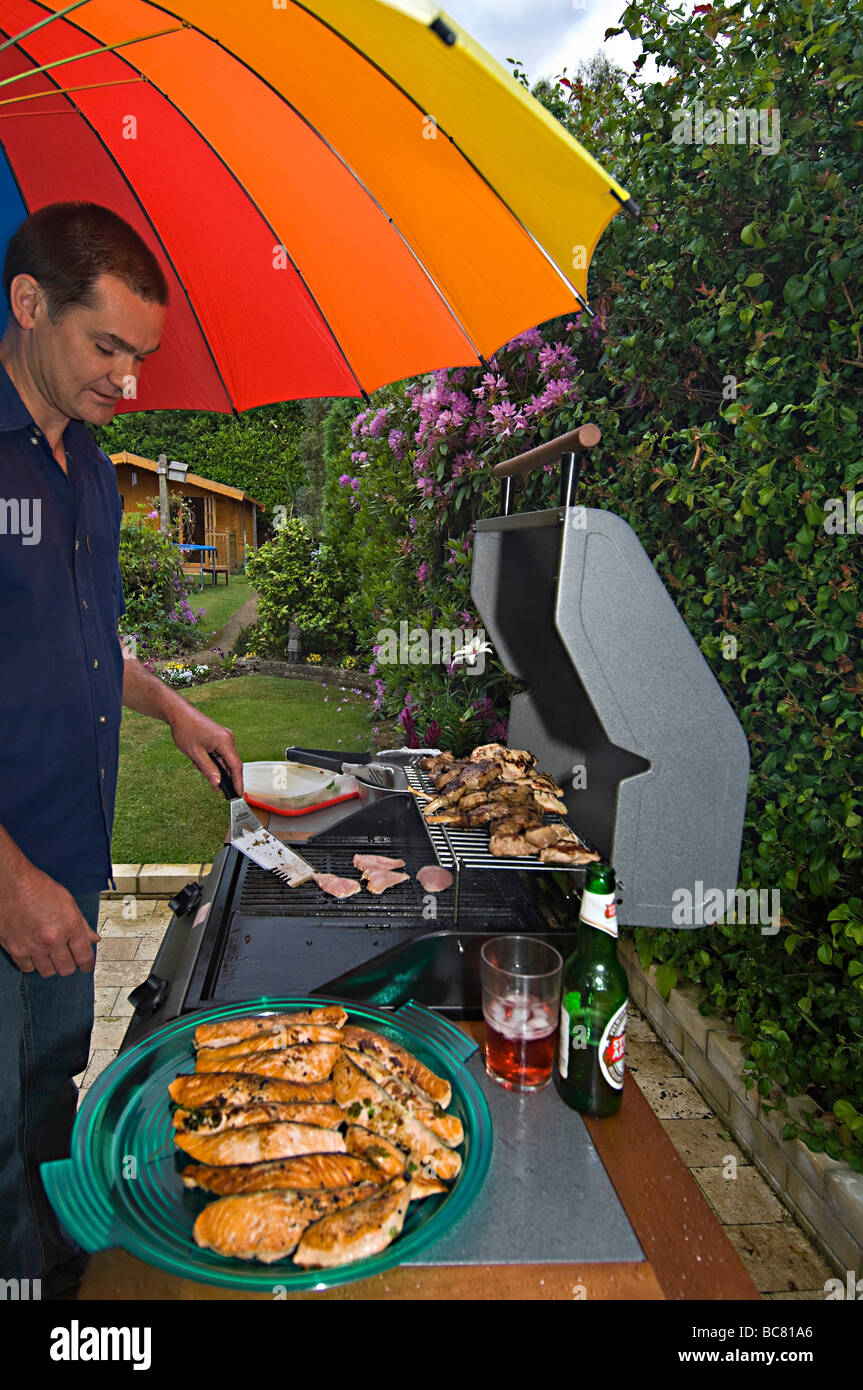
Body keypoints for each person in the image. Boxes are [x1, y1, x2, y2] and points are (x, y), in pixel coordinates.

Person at [0, 202, 244, 1298]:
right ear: (29, 304)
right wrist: (7, 879)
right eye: (109, 348)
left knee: (53, 1092)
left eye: (141, 357)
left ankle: (60, 1288)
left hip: (71, 864)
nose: (130, 381)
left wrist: (173, 711)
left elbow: (89, 644)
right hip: (9, 874)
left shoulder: (91, 462)